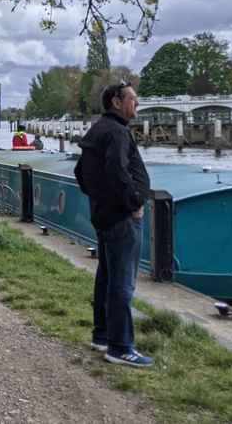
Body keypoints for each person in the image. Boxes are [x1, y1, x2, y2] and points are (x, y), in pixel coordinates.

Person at [74, 82, 152, 368]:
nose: (136, 104)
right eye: (133, 99)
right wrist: (134, 203)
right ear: (117, 102)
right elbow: (118, 169)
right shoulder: (117, 132)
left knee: (106, 276)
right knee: (123, 281)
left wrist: (98, 198)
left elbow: (80, 172)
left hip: (103, 214)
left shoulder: (97, 129)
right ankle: (120, 347)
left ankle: (102, 335)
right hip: (121, 217)